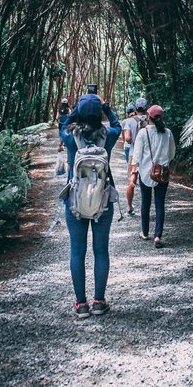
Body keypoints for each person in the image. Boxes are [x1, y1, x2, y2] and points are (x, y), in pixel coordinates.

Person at [60, 92, 121, 318]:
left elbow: (63, 123)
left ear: (80, 113)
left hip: (75, 202)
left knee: (77, 252)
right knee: (101, 250)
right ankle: (99, 301)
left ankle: (81, 305)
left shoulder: (70, 136)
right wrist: (107, 108)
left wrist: (73, 110)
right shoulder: (109, 136)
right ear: (99, 113)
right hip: (102, 202)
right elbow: (117, 124)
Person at [130, 104, 176, 248]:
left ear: (148, 117)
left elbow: (136, 156)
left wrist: (133, 173)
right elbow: (171, 153)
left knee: (146, 203)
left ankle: (145, 232)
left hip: (146, 173)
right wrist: (163, 161)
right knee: (160, 204)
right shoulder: (167, 133)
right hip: (162, 173)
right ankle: (158, 236)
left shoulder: (143, 133)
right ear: (162, 117)